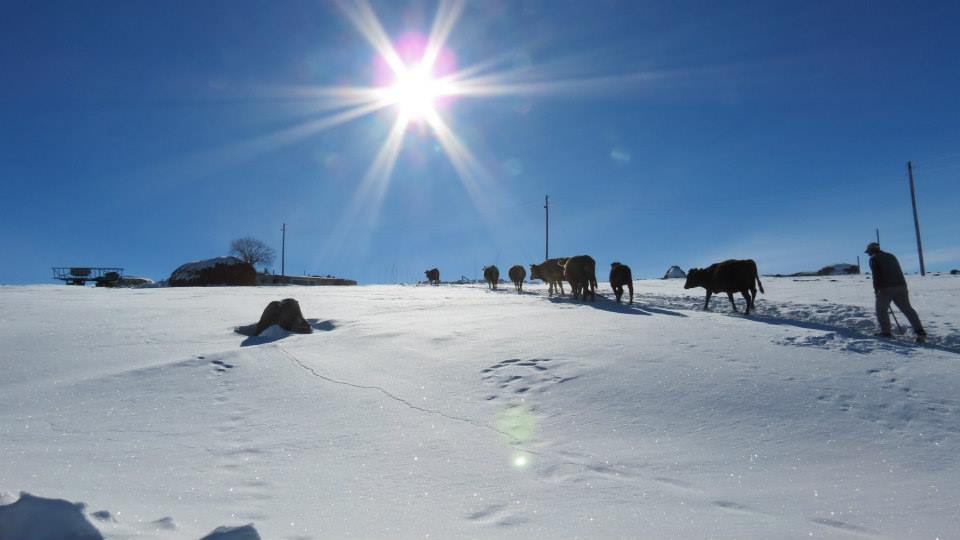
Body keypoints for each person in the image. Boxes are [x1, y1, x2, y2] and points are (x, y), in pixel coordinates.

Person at [865, 242, 926, 343]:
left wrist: (877, 289)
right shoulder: (891, 256)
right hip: (901, 286)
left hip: (885, 288)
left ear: (872, 250)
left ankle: (886, 332)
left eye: (868, 252)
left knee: (881, 310)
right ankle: (920, 332)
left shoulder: (874, 258)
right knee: (907, 309)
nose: (868, 254)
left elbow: (877, 275)